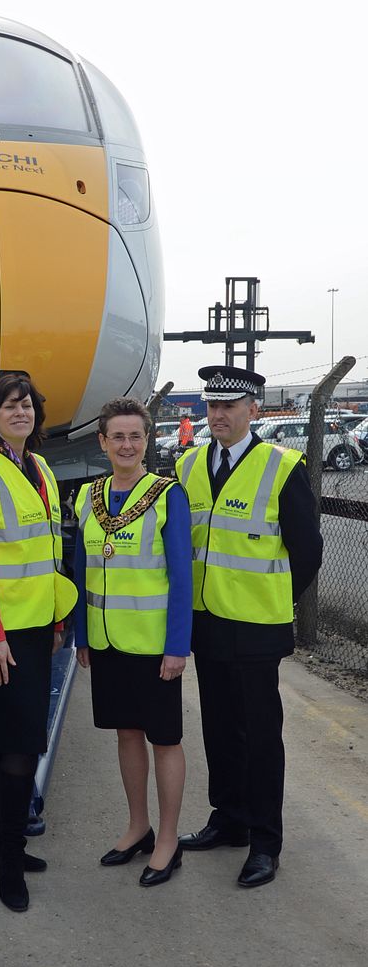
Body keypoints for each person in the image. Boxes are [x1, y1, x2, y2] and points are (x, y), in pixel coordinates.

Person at [176, 365, 323, 888]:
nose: (217, 415)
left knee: (261, 737)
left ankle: (265, 840)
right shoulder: (189, 464)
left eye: (229, 406)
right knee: (218, 727)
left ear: (253, 410)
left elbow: (307, 553)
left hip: (257, 628)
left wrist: (271, 602)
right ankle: (229, 819)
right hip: (207, 622)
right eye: (212, 406)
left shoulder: (281, 467)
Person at [0, 374, 77, 912]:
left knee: (3, 737)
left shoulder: (41, 469)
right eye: (9, 406)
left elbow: (47, 555)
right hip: (1, 632)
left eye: (27, 404)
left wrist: (53, 626)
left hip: (36, 626)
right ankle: (10, 859)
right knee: (24, 745)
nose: (20, 412)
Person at [74, 398, 192, 887]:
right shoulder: (86, 496)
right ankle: (137, 825)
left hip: (153, 645)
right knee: (125, 734)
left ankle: (168, 839)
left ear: (147, 441)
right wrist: (82, 634)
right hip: (105, 641)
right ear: (103, 442)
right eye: (117, 437)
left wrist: (177, 646)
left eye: (135, 436)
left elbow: (183, 576)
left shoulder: (168, 496)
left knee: (164, 739)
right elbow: (81, 570)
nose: (127, 445)